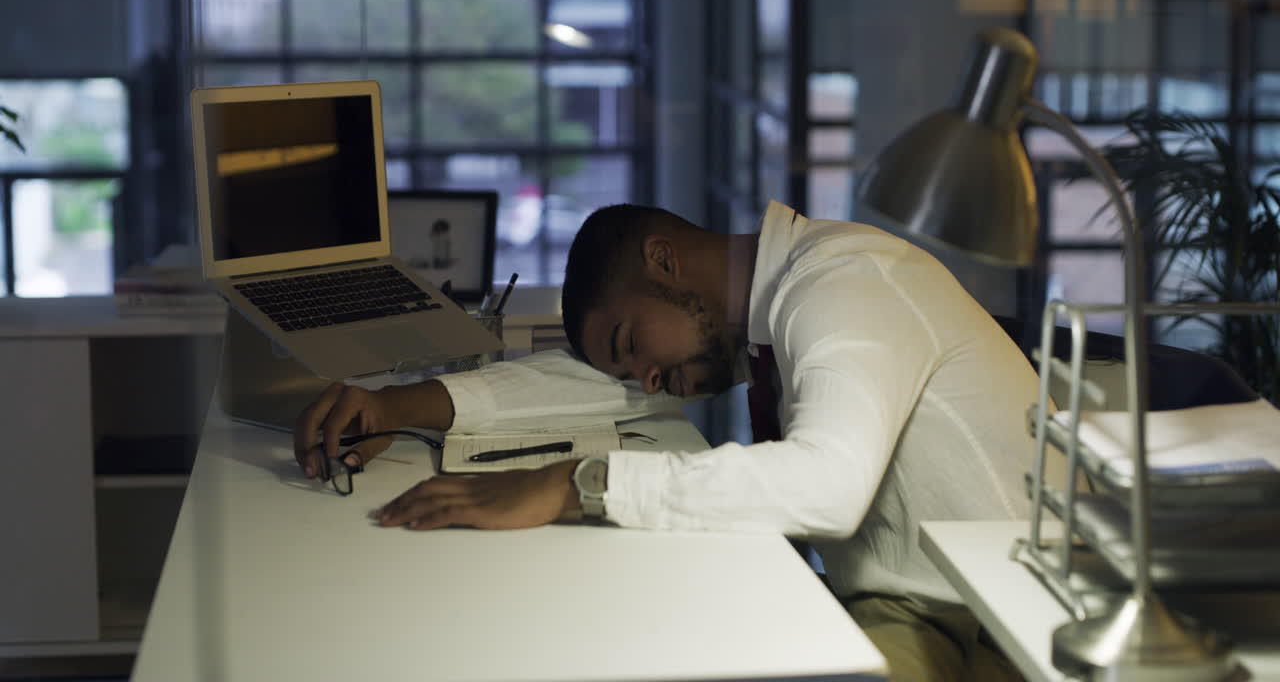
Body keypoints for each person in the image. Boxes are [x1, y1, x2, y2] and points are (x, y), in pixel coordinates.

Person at [294, 201, 1035, 681]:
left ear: (665, 261)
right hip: (916, 598)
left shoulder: (845, 285)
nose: (647, 380)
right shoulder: (770, 313)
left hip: (999, 629)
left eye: (630, 342)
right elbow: (586, 383)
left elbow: (829, 485)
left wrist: (577, 484)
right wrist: (395, 406)